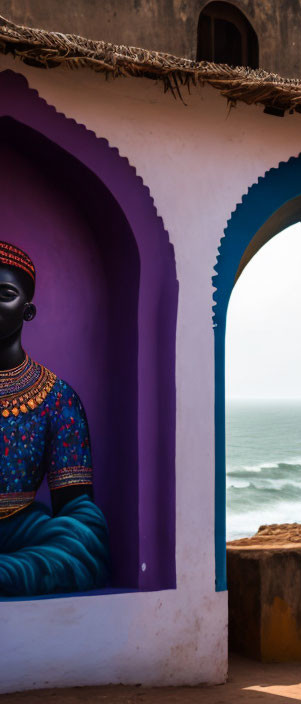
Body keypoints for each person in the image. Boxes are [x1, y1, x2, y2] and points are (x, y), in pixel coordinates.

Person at [0, 240, 110, 596]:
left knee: (84, 542)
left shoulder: (57, 399)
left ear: (27, 310)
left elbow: (76, 508)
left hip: (21, 530)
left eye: (4, 293)